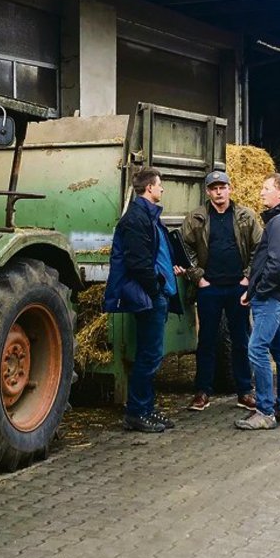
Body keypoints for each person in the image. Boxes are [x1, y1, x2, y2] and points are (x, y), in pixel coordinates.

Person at [104, 168, 187, 431]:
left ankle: (147, 409)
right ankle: (137, 412)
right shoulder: (136, 219)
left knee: (151, 355)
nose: (162, 189)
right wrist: (156, 288)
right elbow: (138, 262)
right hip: (150, 297)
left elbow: (156, 254)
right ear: (149, 188)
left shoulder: (149, 217)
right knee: (148, 356)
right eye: (160, 185)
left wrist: (169, 270)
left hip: (156, 294)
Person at [180, 170, 263, 412]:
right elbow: (184, 248)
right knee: (206, 340)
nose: (218, 192)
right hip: (210, 288)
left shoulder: (246, 216)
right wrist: (197, 277)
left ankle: (245, 391)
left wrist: (248, 277)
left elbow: (260, 247)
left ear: (230, 189)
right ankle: (202, 391)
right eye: (214, 188)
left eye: (222, 187)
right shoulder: (196, 218)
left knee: (241, 340)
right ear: (207, 192)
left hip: (238, 287)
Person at [236, 173, 280, 430]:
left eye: (266, 188)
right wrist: (253, 289)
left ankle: (265, 411)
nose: (261, 193)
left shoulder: (279, 223)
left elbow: (277, 263)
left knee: (256, 349)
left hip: (272, 297)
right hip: (279, 295)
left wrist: (261, 291)